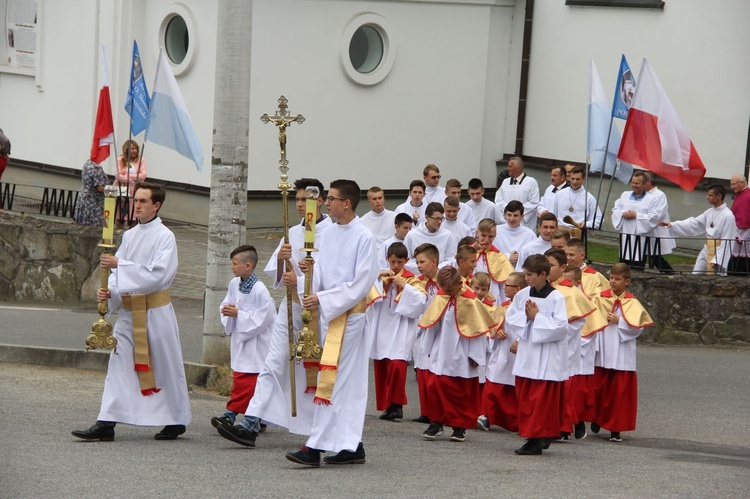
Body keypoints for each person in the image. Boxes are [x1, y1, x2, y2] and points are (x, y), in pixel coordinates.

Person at [217, 178, 333, 448]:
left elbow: (336, 279)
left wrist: (307, 280)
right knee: (271, 364)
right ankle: (250, 423)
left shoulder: (334, 233)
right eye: (299, 200)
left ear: (323, 201)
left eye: (308, 199)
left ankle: (329, 426)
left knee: (321, 371)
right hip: (290, 308)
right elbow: (278, 278)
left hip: (320, 311)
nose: (303, 205)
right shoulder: (291, 232)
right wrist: (282, 260)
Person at [71, 182, 191, 441]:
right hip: (129, 313)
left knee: (164, 367)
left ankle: (176, 419)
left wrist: (120, 264)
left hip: (155, 312)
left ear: (156, 205)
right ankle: (106, 423)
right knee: (118, 366)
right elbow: (115, 275)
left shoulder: (165, 236)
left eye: (143, 201)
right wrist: (110, 292)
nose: (137, 205)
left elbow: (158, 275)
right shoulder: (129, 235)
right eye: (135, 200)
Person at [285, 179, 379, 467]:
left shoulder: (364, 237)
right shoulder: (328, 235)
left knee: (333, 380)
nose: (326, 203)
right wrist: (303, 284)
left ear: (346, 203)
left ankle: (315, 446)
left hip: (350, 317)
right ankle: (352, 446)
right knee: (345, 382)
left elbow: (361, 282)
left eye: (332, 199)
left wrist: (323, 298)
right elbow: (321, 274)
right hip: (330, 313)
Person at [418, 266, 495, 442]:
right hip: (440, 350)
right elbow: (433, 322)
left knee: (458, 390)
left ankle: (459, 427)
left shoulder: (470, 300)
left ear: (459, 283)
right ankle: (436, 423)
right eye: (444, 289)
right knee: (435, 386)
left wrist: (476, 356)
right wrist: (428, 347)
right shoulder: (442, 295)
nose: (447, 292)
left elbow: (477, 330)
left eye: (450, 290)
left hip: (462, 351)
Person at [504, 254, 569, 455]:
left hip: (547, 355)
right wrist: (526, 318)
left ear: (543, 274)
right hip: (528, 352)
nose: (526, 278)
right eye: (525, 274)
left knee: (541, 400)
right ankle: (535, 436)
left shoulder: (556, 297)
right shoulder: (523, 294)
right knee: (526, 397)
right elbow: (511, 317)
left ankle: (537, 438)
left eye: (530, 275)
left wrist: (537, 318)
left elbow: (561, 327)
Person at [211, 245, 276, 429]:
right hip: (243, 339)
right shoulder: (235, 284)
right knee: (243, 378)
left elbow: (265, 317)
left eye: (234, 263)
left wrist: (239, 314)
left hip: (257, 342)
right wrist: (227, 311)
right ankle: (254, 417)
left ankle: (232, 414)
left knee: (249, 381)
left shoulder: (260, 289)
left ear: (248, 265)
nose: (232, 267)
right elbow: (227, 302)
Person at [544, 248, 604, 440]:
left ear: (562, 268)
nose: (547, 269)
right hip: (545, 343)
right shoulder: (544, 288)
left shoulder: (570, 292)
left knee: (564, 388)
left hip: (563, 346)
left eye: (551, 265)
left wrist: (556, 332)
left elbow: (578, 321)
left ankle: (564, 427)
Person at [591, 264, 653, 442]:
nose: (612, 282)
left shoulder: (632, 302)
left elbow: (637, 328)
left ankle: (615, 429)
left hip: (621, 352)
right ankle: (597, 418)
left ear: (627, 281)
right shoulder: (599, 299)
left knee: (618, 394)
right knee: (600, 389)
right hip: (602, 350)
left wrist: (621, 321)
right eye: (611, 278)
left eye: (617, 279)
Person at [368, 242, 421, 422]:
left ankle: (397, 405)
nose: (396, 266)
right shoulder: (382, 276)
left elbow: (420, 301)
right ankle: (387, 406)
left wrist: (405, 286)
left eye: (399, 262)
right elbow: (367, 293)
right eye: (392, 262)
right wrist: (377, 277)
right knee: (382, 366)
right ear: (387, 260)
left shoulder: (412, 279)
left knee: (397, 366)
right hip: (381, 326)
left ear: (406, 260)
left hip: (401, 327)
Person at [477, 272, 526, 433]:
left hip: (519, 354)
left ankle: (516, 422)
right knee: (493, 384)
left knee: (514, 389)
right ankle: (485, 416)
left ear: (518, 289)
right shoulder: (503, 306)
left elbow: (531, 328)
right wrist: (497, 333)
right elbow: (493, 326)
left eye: (508, 285)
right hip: (501, 352)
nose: (503, 288)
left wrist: (519, 341)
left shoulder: (527, 307)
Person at [662, 185, 736, 275]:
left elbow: (727, 239)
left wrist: (718, 259)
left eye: (710, 195)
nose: (707, 197)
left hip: (718, 250)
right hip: (707, 248)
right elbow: (695, 223)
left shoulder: (728, 216)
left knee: (715, 277)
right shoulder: (710, 212)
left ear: (719, 196)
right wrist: (673, 224)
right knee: (696, 273)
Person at [408, 243, 442, 424]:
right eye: (417, 262)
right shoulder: (417, 282)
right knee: (421, 370)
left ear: (434, 262)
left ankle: (438, 413)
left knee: (434, 373)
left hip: (438, 331)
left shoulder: (445, 282)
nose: (419, 266)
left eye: (422, 262)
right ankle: (426, 411)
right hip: (421, 329)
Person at [611, 171, 659, 269]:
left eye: (637, 183)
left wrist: (637, 215)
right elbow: (615, 209)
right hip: (625, 234)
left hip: (640, 237)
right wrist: (622, 213)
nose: (634, 185)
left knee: (637, 263)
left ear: (645, 184)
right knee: (623, 265)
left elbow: (654, 217)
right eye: (632, 182)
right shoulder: (625, 195)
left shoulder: (651, 199)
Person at [403, 202, 457, 274]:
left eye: (441, 218)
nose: (440, 222)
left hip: (439, 275)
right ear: (427, 217)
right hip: (417, 277)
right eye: (436, 219)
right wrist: (424, 267)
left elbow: (451, 259)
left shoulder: (448, 235)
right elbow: (406, 260)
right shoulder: (412, 235)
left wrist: (436, 269)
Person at [475, 218, 515, 305]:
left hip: (492, 299)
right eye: (483, 235)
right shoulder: (468, 253)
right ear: (477, 233)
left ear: (495, 236)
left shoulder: (500, 257)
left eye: (490, 236)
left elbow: (504, 286)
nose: (486, 239)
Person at [494, 156, 540, 230]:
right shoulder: (505, 182)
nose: (507, 168)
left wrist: (518, 212)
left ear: (518, 168)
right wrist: (508, 211)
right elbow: (498, 200)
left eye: (510, 166)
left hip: (525, 224)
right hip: (507, 222)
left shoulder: (531, 182)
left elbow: (534, 203)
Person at [551, 165, 602, 230]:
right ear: (569, 178)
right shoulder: (560, 194)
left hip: (578, 232)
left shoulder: (589, 198)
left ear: (583, 179)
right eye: (573, 179)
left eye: (577, 179)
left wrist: (585, 224)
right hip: (560, 231)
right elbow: (553, 215)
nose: (574, 182)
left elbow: (598, 220)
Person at [643, 173, 676, 273]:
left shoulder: (659, 195)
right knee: (644, 252)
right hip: (645, 228)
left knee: (654, 254)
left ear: (648, 182)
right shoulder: (644, 194)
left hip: (655, 229)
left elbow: (659, 213)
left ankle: (669, 272)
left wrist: (643, 219)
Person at [493, 201, 536, 267]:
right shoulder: (495, 231)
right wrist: (507, 257)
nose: (512, 219)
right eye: (509, 215)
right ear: (504, 215)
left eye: (515, 215)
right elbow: (490, 254)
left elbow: (534, 257)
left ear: (522, 217)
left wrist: (520, 257)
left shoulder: (530, 234)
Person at [114, 140, 147, 224]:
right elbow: (118, 175)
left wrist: (127, 176)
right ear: (127, 149)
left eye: (136, 148)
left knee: (133, 217)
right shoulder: (120, 159)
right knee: (120, 216)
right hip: (123, 189)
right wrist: (134, 177)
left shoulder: (141, 160)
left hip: (135, 191)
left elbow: (143, 176)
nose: (134, 150)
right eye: (132, 148)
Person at [74, 159, 111, 226]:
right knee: (94, 227)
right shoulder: (96, 167)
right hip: (93, 202)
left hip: (84, 198)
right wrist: (111, 192)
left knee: (82, 225)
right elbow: (99, 188)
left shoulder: (87, 163)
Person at [728, 174, 750, 275]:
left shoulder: (748, 195)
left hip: (745, 232)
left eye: (733, 184)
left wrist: (743, 235)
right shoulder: (740, 194)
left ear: (741, 183)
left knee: (742, 261)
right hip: (738, 231)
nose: (731, 187)